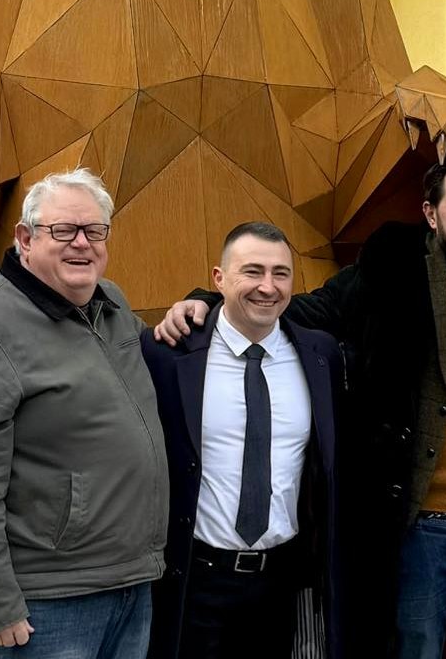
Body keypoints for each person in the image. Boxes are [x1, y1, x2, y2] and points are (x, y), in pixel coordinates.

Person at [155, 159, 446, 659]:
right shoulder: (389, 274)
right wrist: (204, 303)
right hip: (422, 529)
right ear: (431, 214)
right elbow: (291, 307)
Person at [0, 169, 168, 659]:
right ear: (25, 239)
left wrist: (197, 307)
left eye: (94, 231)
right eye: (64, 231)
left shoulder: (111, 304)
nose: (82, 243)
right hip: (49, 603)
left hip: (131, 583)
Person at [140, 221, 343, 659]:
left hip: (280, 583)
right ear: (219, 279)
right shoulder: (169, 353)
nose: (267, 287)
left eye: (280, 273)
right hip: (195, 580)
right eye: (252, 271)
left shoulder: (320, 354)